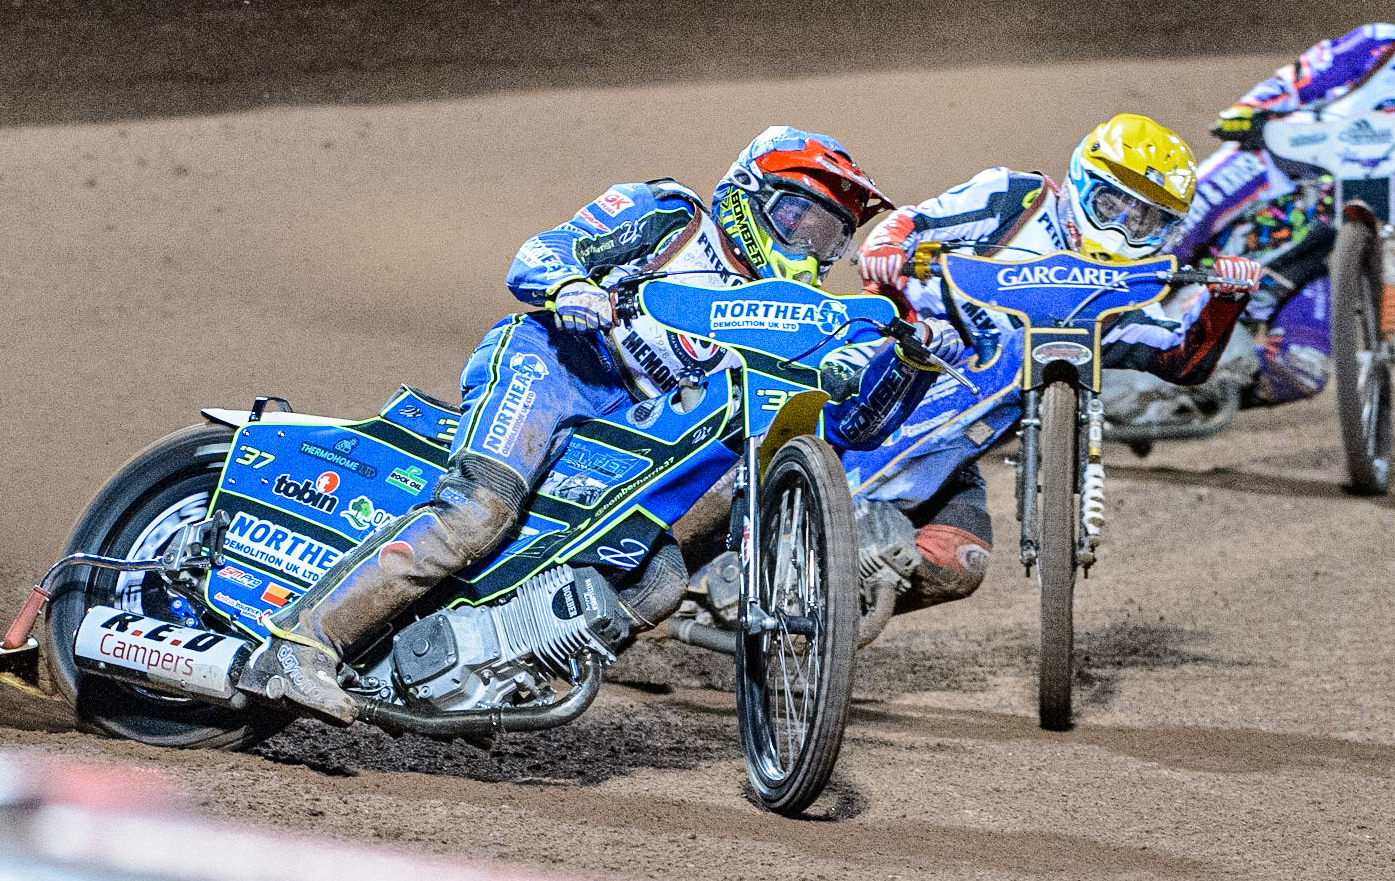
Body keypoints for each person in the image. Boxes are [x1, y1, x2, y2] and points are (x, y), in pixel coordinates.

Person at [242, 127, 963, 722]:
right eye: (799, 218)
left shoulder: (798, 319)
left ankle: (487, 670)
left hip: (628, 434)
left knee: (656, 579)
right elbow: (540, 252)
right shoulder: (672, 216)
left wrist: (913, 363)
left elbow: (853, 428)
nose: (810, 246)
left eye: (831, 236)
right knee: (479, 511)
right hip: (557, 368)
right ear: (750, 198)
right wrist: (571, 286)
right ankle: (298, 646)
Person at [843, 114, 1263, 619]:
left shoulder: (1120, 303)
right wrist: (886, 249)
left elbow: (1182, 361)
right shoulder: (1015, 197)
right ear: (1083, 182)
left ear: (1166, 230)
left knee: (960, 564)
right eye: (1112, 204)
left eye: (1144, 220)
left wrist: (1226, 301)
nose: (1122, 227)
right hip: (893, 363)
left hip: (953, 449)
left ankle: (820, 621)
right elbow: (916, 220)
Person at [1108, 0, 1395, 421]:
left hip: (1324, 239)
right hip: (1268, 166)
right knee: (1165, 233)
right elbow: (1305, 76)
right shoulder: (1387, 47)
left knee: (1302, 370)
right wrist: (1252, 108)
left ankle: (1174, 398)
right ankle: (1083, 320)